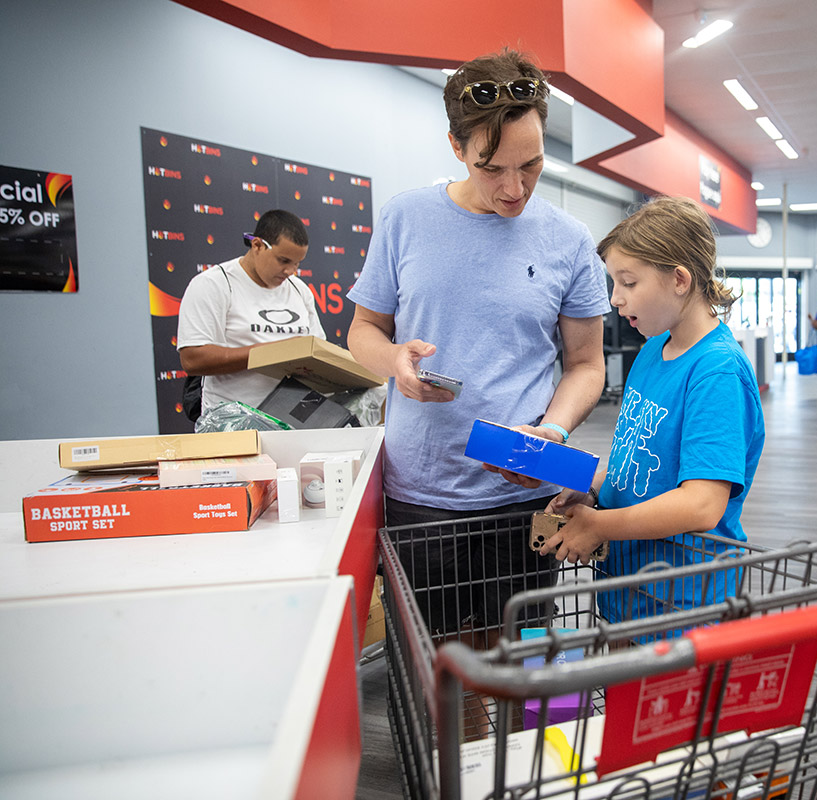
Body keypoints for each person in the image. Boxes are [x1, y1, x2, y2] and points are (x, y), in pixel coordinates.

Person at [345, 50, 609, 639]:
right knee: (430, 660)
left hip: (525, 490)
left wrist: (555, 429)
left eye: (531, 165)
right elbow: (362, 331)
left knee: (516, 659)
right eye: (493, 168)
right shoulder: (405, 218)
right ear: (457, 147)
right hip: (422, 492)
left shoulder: (569, 239)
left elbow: (586, 364)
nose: (515, 189)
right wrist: (394, 360)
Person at [536, 196, 765, 623]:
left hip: (683, 599)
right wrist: (595, 489)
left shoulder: (717, 371)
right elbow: (639, 461)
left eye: (628, 283)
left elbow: (702, 505)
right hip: (626, 584)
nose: (615, 299)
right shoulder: (652, 350)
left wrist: (600, 526)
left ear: (679, 279)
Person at [177, 209, 325, 421]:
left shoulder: (300, 290)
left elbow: (318, 352)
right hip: (232, 422)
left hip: (293, 422)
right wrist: (274, 353)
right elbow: (193, 359)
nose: (290, 271)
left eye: (297, 263)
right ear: (257, 245)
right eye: (283, 260)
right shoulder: (214, 284)